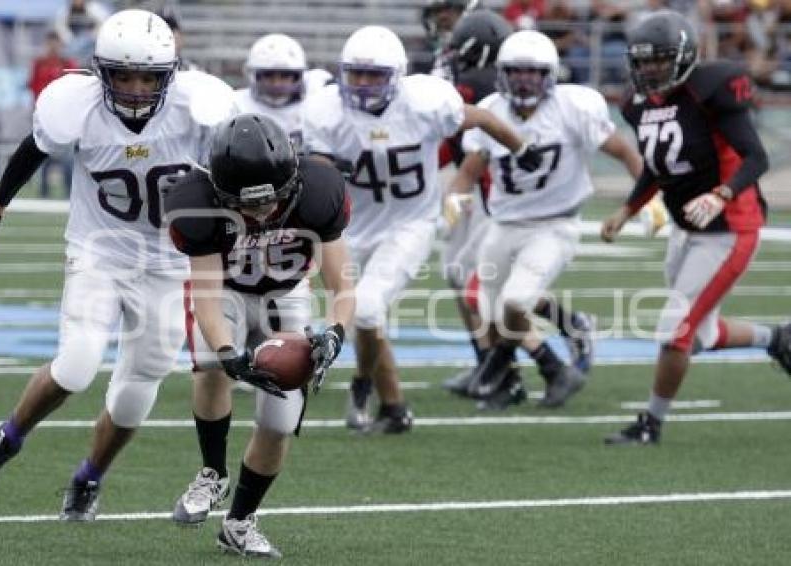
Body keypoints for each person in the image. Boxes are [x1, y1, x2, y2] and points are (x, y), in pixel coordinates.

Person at [0, 9, 237, 520]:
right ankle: (7, 437)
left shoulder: (199, 105)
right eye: (122, 75)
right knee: (78, 363)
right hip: (99, 250)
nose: (134, 88)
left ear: (169, 74)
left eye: (148, 77)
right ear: (100, 71)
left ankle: (89, 478)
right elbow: (32, 152)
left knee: (136, 393)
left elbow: (236, 168)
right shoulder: (76, 104)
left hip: (169, 263)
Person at [303, 25, 543, 434]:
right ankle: (394, 407)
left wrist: (522, 149)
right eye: (356, 74)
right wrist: (324, 169)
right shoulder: (325, 110)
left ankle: (362, 383)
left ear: (395, 75)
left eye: (374, 75)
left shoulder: (425, 102)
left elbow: (483, 117)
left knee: (369, 308)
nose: (362, 84)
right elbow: (319, 171)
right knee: (340, 309)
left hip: (409, 223)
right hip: (350, 225)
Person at [165, 114, 354, 558]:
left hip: (286, 294)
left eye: (272, 201)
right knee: (212, 366)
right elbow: (207, 297)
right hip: (227, 291)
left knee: (280, 420)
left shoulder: (321, 190)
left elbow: (343, 286)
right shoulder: (196, 201)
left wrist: (336, 332)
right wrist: (230, 352)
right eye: (247, 205)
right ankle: (213, 472)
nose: (263, 213)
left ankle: (240, 522)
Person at [600, 10, 791, 445]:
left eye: (659, 60)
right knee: (700, 330)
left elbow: (755, 156)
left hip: (728, 228)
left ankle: (651, 422)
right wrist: (629, 209)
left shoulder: (711, 90)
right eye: (643, 61)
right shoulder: (638, 105)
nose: (649, 69)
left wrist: (722, 194)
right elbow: (658, 165)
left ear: (684, 56)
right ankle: (777, 338)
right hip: (687, 228)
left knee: (676, 332)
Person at [446, 30, 644, 411]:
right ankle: (553, 370)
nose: (524, 80)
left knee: (515, 301)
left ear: (550, 75)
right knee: (486, 308)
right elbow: (469, 171)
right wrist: (455, 197)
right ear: (502, 73)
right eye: (516, 71)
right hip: (504, 224)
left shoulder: (572, 108)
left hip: (554, 224)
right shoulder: (493, 110)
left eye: (533, 72)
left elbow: (623, 151)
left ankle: (505, 366)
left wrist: (643, 202)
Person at [235, 33, 328, 151]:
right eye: (268, 75)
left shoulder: (313, 102)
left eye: (285, 75)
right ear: (255, 76)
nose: (276, 83)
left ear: (298, 76)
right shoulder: (238, 105)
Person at [28, 30, 76, 198]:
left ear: (61, 45)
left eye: (56, 43)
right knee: (43, 155)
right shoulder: (39, 64)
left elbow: (74, 89)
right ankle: (44, 193)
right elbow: (33, 87)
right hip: (43, 116)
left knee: (67, 156)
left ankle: (69, 193)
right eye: (50, 43)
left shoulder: (68, 63)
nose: (53, 47)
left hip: (63, 117)